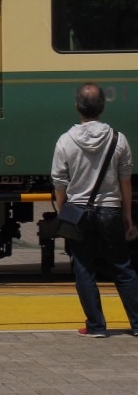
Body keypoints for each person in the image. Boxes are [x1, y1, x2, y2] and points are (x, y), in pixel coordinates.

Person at [51, 81, 138, 337]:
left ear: (78, 106)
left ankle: (96, 326)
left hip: (79, 212)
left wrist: (62, 212)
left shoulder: (65, 141)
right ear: (102, 107)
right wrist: (127, 216)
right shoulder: (118, 139)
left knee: (84, 268)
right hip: (110, 211)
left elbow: (59, 183)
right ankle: (137, 324)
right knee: (122, 266)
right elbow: (125, 181)